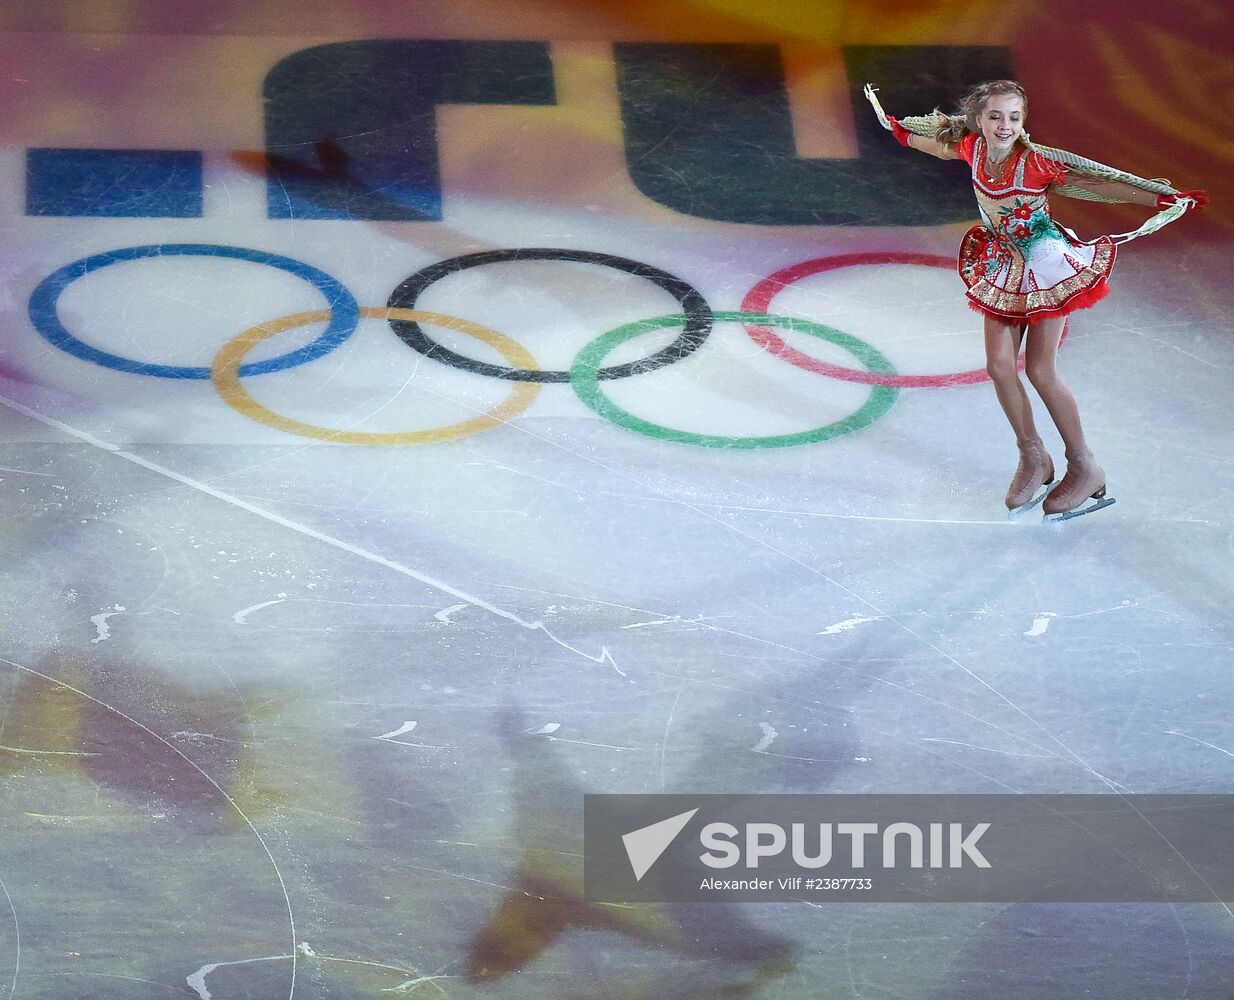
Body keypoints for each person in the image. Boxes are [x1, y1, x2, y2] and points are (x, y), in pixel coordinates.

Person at [882, 80, 1206, 517]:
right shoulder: (974, 150)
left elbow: (1092, 183)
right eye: (995, 116)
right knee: (999, 367)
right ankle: (1033, 456)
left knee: (1040, 370)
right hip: (1003, 263)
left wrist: (1159, 197)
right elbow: (942, 148)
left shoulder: (1033, 163)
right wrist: (904, 135)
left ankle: (1084, 465)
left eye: (1014, 117)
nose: (1005, 125)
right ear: (979, 119)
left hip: (1044, 265)